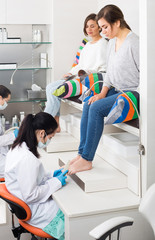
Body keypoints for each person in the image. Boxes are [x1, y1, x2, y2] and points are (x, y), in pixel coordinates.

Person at [68, 4, 139, 174]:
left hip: (131, 92)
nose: (103, 31)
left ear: (117, 22)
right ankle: (81, 153)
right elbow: (109, 73)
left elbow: (146, 75)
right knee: (89, 102)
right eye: (101, 28)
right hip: (116, 88)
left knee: (97, 109)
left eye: (105, 27)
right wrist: (101, 93)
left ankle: (87, 159)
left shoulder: (134, 43)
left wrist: (139, 96)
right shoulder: (112, 42)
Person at [5, 112, 68, 240]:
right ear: (41, 133)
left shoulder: (18, 148)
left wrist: (51, 174)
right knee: (68, 214)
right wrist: (56, 182)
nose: (50, 140)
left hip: (24, 204)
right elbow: (31, 194)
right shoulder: (27, 159)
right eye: (51, 137)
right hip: (34, 210)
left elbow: (28, 177)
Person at [44, 13, 108, 132]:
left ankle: (43, 124)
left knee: (54, 90)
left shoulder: (103, 44)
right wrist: (70, 73)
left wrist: (85, 73)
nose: (89, 29)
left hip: (88, 80)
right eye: (87, 26)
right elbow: (80, 64)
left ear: (99, 27)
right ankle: (55, 123)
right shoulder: (88, 45)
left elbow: (103, 69)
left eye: (92, 26)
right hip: (76, 77)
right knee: (50, 87)